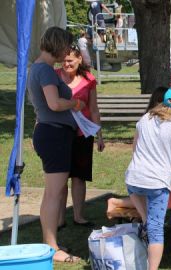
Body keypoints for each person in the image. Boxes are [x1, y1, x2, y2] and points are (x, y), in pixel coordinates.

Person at [27, 26, 85, 263]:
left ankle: (49, 243)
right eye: (67, 47)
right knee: (53, 194)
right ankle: (52, 247)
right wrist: (74, 104)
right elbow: (53, 104)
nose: (67, 52)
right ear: (58, 45)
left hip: (49, 133)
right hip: (54, 134)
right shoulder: (46, 71)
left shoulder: (37, 68)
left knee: (51, 193)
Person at [125, 86, 171, 269]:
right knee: (156, 230)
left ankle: (144, 225)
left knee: (148, 220)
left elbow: (135, 149)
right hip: (156, 183)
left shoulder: (144, 119)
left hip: (133, 179)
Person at [56, 44, 105, 228]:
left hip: (83, 133)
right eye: (64, 60)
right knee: (59, 178)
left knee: (79, 176)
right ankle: (59, 218)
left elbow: (93, 109)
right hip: (60, 133)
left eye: (70, 60)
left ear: (79, 60)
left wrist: (99, 134)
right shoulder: (54, 77)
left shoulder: (88, 79)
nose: (66, 64)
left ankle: (78, 216)